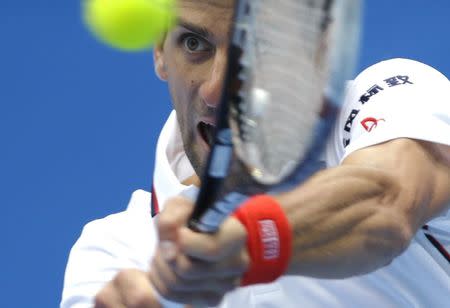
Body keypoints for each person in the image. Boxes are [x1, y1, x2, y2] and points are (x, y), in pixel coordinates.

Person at [61, 0, 450, 307]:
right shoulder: (113, 252)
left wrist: (245, 242)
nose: (216, 90)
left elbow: (385, 203)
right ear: (161, 50)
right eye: (195, 44)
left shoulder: (395, 97)